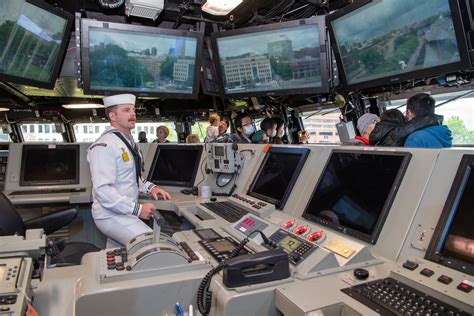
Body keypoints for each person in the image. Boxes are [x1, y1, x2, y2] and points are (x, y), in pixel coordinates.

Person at [87, 94, 171, 246]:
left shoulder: (130, 143)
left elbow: (132, 177)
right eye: (126, 110)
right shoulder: (104, 146)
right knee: (154, 246)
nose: (133, 114)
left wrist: (151, 187)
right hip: (110, 215)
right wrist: (137, 209)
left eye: (133, 110)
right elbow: (104, 190)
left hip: (123, 211)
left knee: (117, 256)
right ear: (112, 115)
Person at [369, 108, 440, 147]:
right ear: (400, 119)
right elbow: (414, 125)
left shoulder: (377, 135)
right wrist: (434, 118)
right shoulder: (397, 133)